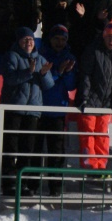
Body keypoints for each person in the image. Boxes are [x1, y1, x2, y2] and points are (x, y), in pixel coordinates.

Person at [0, 27, 54, 196]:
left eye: (31, 40)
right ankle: (8, 183)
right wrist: (28, 72)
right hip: (15, 108)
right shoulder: (11, 56)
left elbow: (49, 85)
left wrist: (44, 74)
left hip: (33, 110)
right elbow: (9, 78)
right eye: (25, 40)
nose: (29, 43)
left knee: (27, 149)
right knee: (10, 147)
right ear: (18, 41)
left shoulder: (41, 59)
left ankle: (23, 182)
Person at [75, 19, 112, 171]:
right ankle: (89, 165)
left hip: (106, 101)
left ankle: (101, 165)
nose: (111, 40)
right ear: (104, 36)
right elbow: (85, 75)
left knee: (102, 135)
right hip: (91, 98)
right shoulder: (93, 50)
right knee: (88, 132)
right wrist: (84, 97)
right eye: (109, 36)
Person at [37, 24, 77, 193]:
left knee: (57, 151)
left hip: (58, 111)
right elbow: (42, 82)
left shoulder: (69, 58)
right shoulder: (41, 56)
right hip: (40, 109)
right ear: (50, 39)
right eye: (56, 39)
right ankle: (32, 184)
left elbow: (71, 85)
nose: (59, 43)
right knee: (36, 150)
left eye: (63, 39)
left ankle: (56, 186)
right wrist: (57, 73)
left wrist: (66, 73)